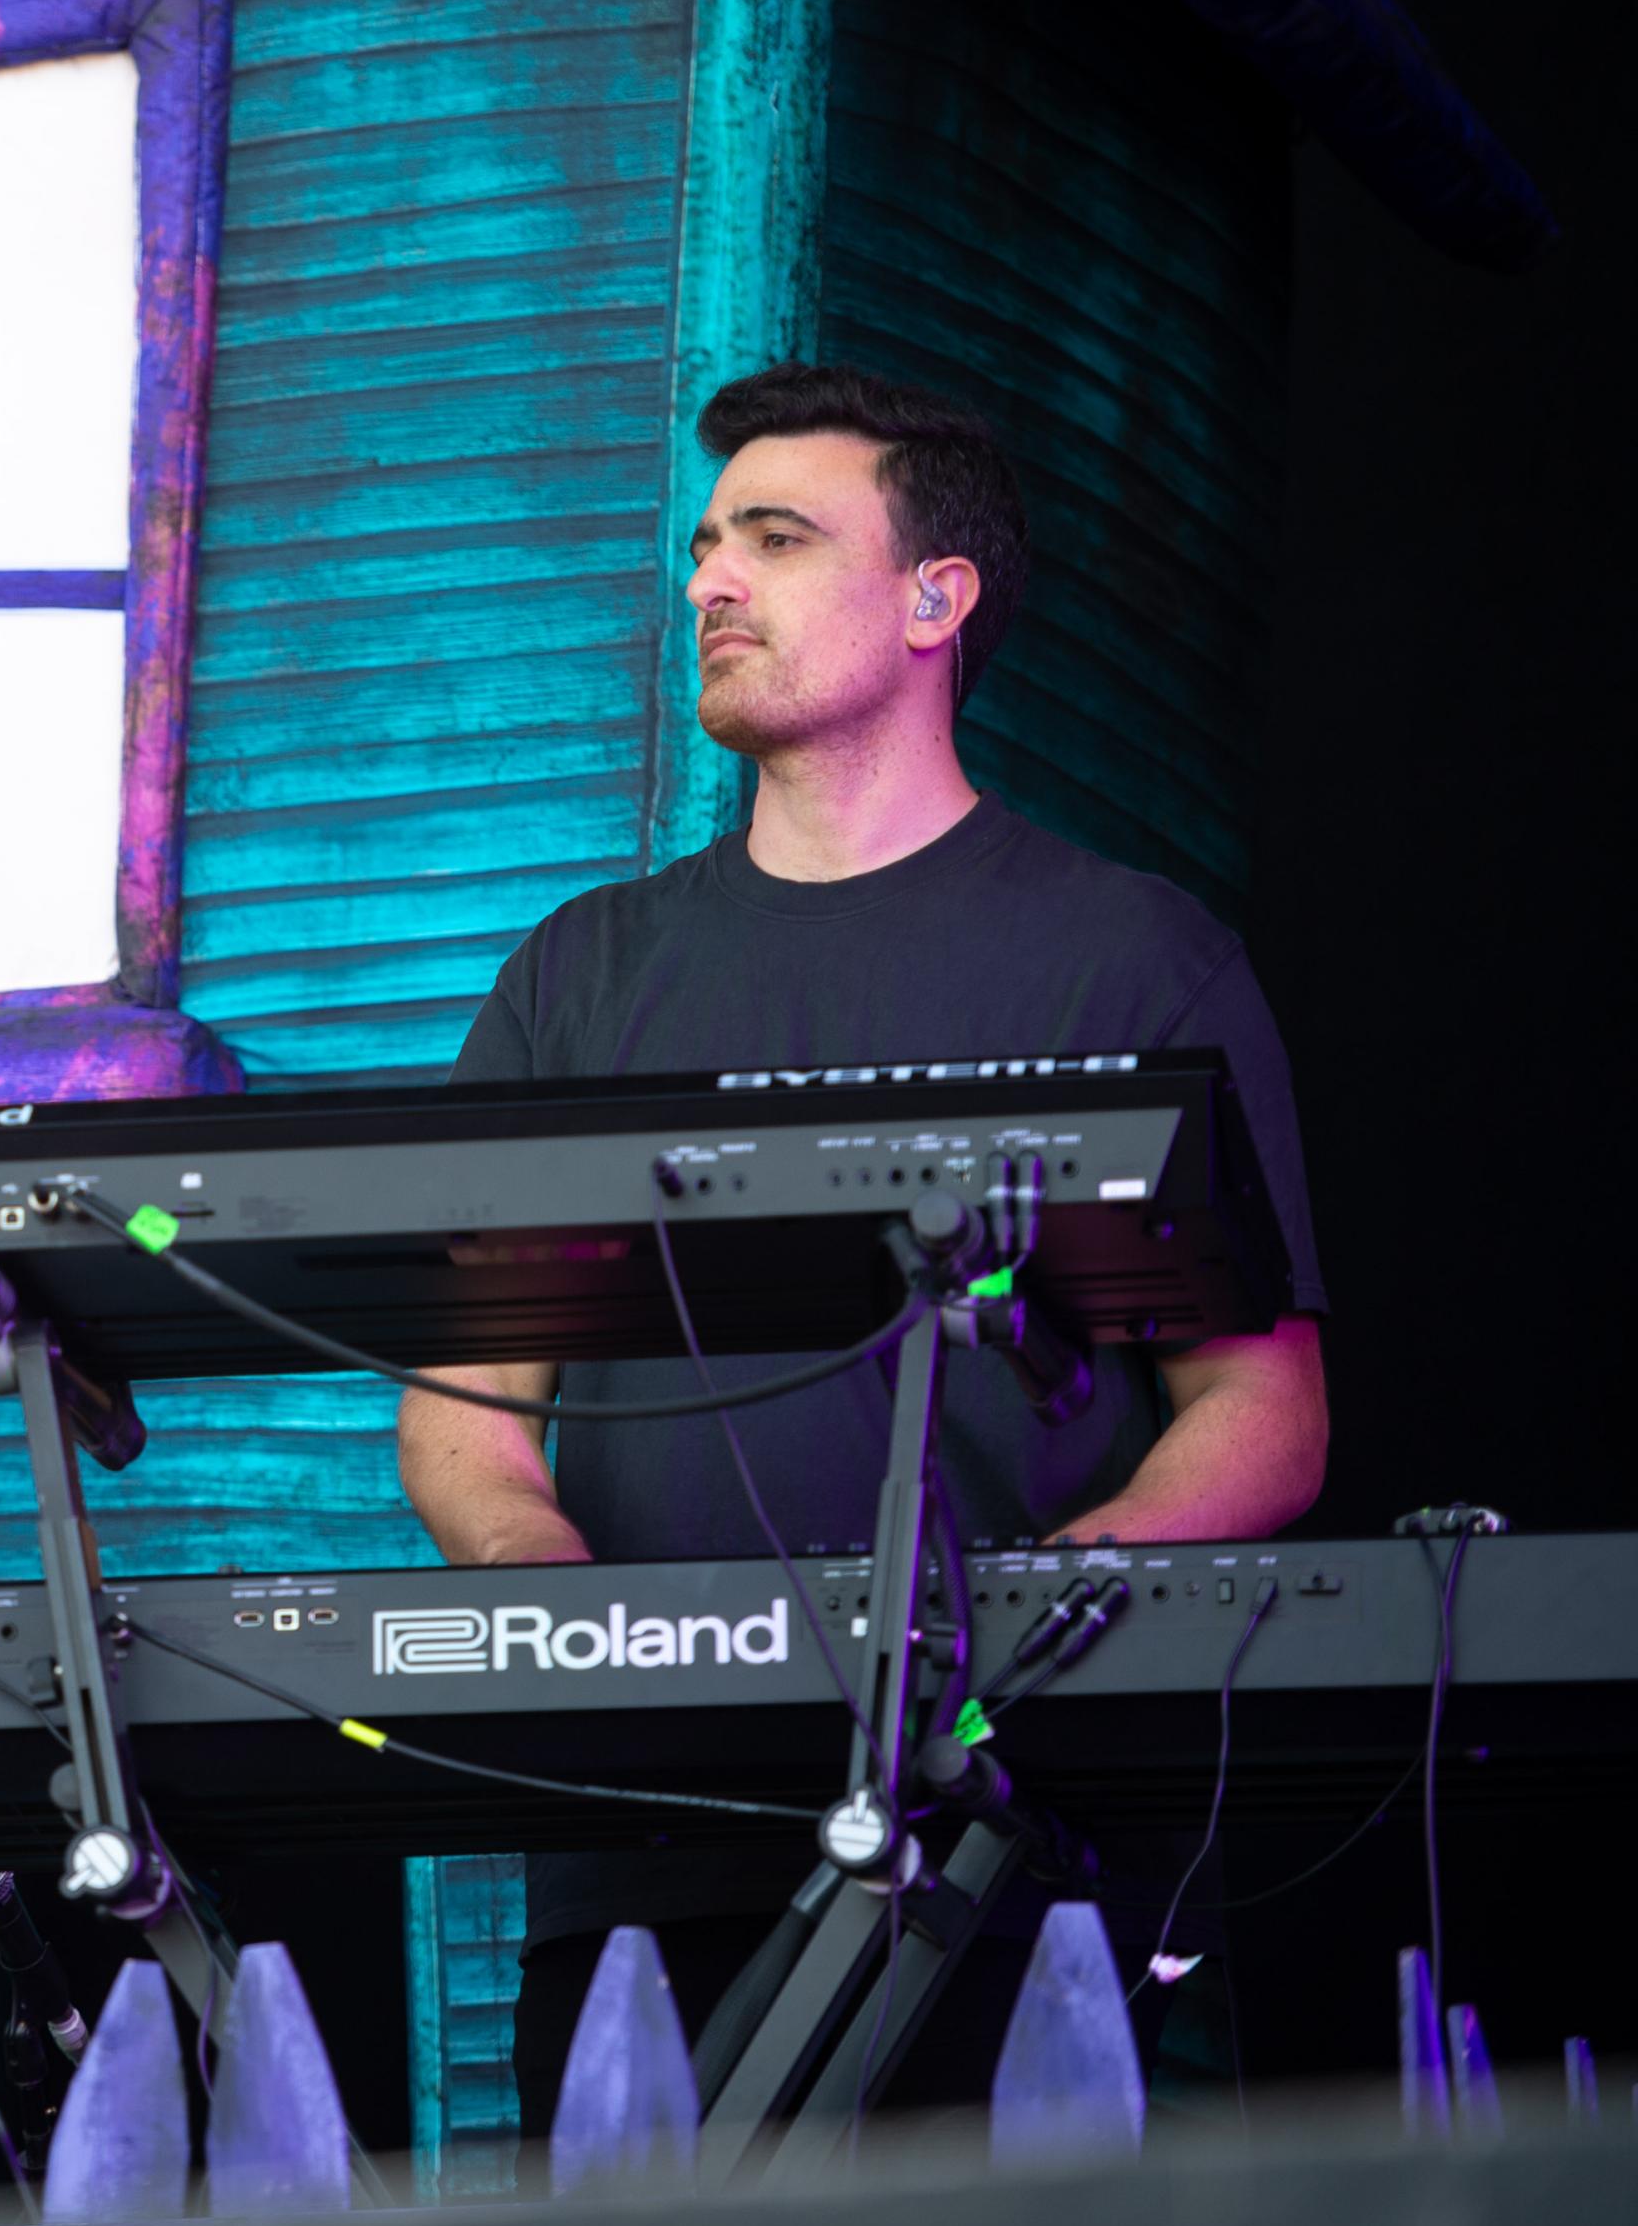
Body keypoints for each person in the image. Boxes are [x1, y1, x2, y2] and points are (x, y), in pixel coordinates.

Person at [394, 365, 1327, 2135]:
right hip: (642, 1854)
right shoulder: (580, 975)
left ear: (933, 597)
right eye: (704, 544)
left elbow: (1263, 1412)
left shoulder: (1130, 957)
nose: (709, 581)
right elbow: (465, 1405)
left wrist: (1034, 1613)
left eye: (774, 536)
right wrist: (579, 1615)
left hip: (1015, 1847)